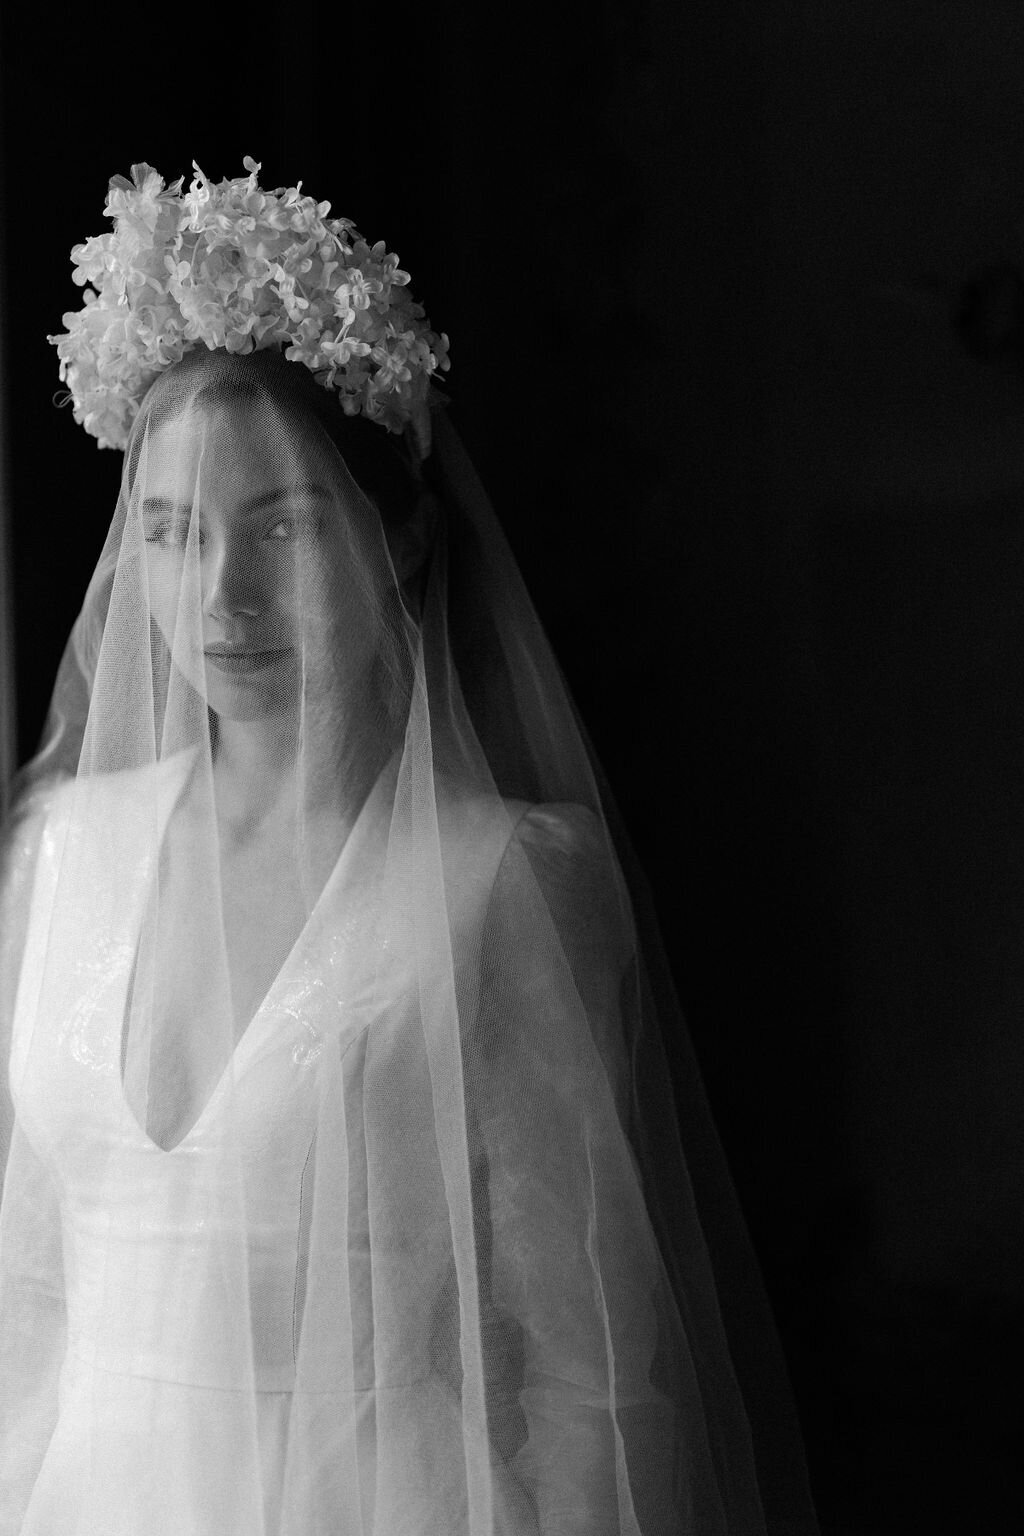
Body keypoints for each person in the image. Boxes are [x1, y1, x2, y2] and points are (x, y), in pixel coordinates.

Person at [0, 159, 819, 1535]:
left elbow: (583, 1369)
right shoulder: (57, 853)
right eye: (174, 533)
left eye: (288, 527)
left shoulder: (501, 887)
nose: (225, 597)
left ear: (408, 542)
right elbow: (24, 1298)